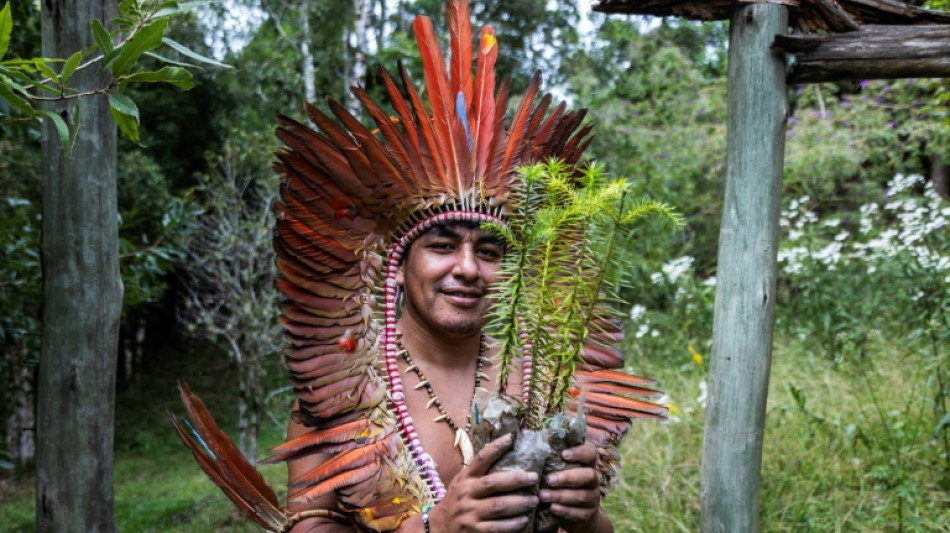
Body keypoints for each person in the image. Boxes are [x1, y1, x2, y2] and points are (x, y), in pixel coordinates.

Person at [285, 221, 614, 533]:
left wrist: (588, 521)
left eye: (487, 252)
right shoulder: (341, 386)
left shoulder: (546, 379)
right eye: (442, 246)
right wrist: (434, 526)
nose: (468, 269)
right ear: (398, 265)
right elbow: (305, 524)